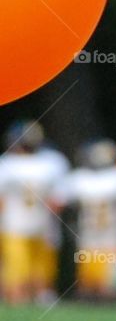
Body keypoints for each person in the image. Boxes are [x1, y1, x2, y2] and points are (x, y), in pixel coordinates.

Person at [0, 121, 69, 306]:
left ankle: (17, 302)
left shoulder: (7, 164)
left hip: (14, 225)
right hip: (43, 225)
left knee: (16, 274)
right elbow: (58, 201)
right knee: (42, 278)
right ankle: (37, 303)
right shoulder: (53, 163)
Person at [50, 140, 116, 302]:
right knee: (97, 279)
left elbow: (59, 202)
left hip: (98, 236)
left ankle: (98, 300)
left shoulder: (81, 180)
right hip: (105, 236)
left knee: (99, 280)